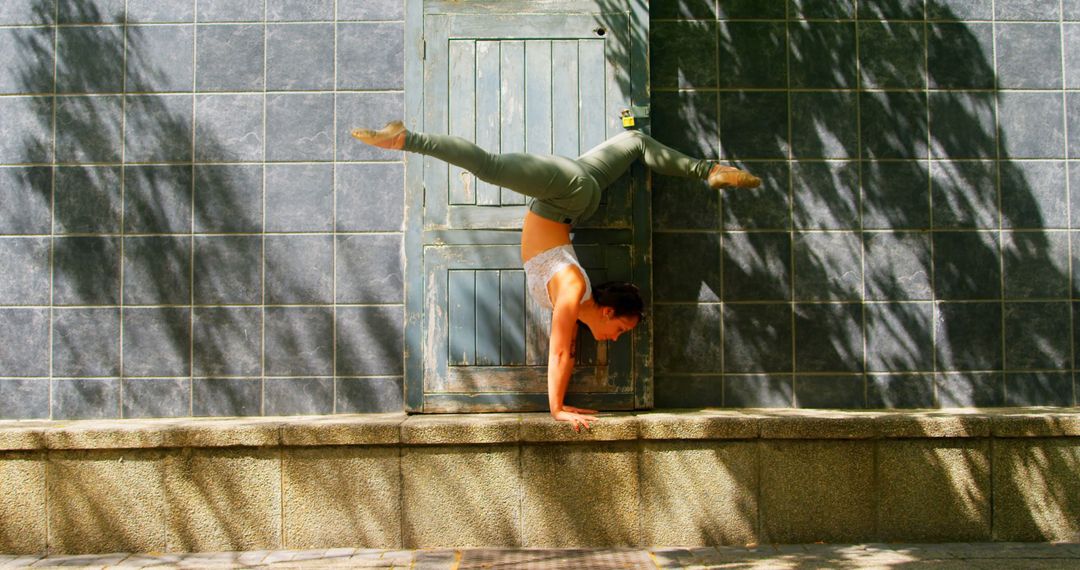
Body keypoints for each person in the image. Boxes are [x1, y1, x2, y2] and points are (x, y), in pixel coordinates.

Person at [352, 121, 760, 432]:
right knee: (491, 167)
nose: (616, 337)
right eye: (620, 327)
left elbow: (565, 346)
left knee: (635, 141)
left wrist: (560, 404)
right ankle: (405, 138)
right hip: (566, 193)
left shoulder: (576, 297)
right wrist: (557, 408)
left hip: (580, 196)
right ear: (608, 308)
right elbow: (561, 352)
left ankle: (708, 169)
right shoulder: (573, 288)